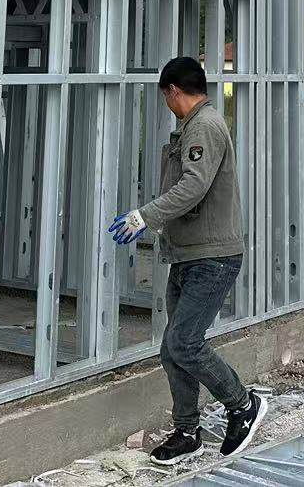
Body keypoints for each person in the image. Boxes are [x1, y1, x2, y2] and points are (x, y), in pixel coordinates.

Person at [109, 56, 267, 466]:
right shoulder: (194, 126)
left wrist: (145, 216)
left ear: (173, 91)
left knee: (184, 342)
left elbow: (193, 186)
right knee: (172, 349)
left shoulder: (204, 127)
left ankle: (243, 405)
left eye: (165, 96)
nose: (166, 103)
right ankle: (187, 432)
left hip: (212, 257)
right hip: (189, 254)